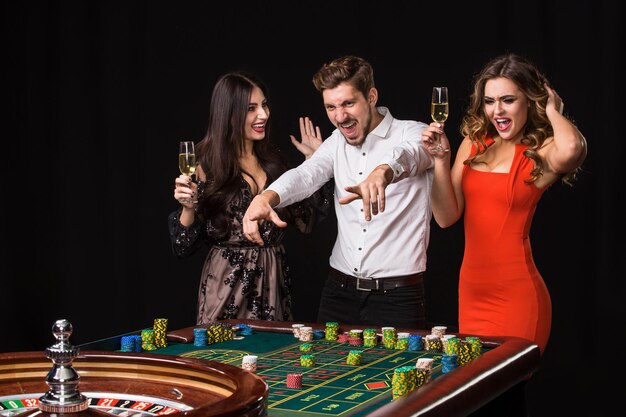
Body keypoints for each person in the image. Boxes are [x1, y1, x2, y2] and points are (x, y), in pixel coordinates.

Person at [423, 54, 587, 415]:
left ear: (530, 100)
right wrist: (439, 160)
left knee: (505, 404)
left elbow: (573, 148)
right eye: (490, 100)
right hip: (472, 295)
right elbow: (446, 216)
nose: (497, 110)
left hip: (518, 299)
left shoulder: (540, 152)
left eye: (508, 99)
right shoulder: (473, 143)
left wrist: (554, 107)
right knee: (475, 405)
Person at [242, 55, 435, 329]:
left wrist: (383, 171)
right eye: (330, 107)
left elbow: (411, 154)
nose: (340, 116)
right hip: (338, 293)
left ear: (371, 96)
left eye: (348, 103)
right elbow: (307, 174)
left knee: (394, 373)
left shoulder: (414, 132)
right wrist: (267, 197)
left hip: (398, 297)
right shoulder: (336, 142)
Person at [168, 71, 330, 325]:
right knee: (226, 361)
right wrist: (188, 207)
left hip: (273, 285)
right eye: (251, 108)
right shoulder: (205, 164)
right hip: (226, 288)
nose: (263, 115)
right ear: (229, 114)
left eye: (264, 105)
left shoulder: (275, 162)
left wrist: (314, 164)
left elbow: (305, 222)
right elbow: (183, 246)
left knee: (270, 360)